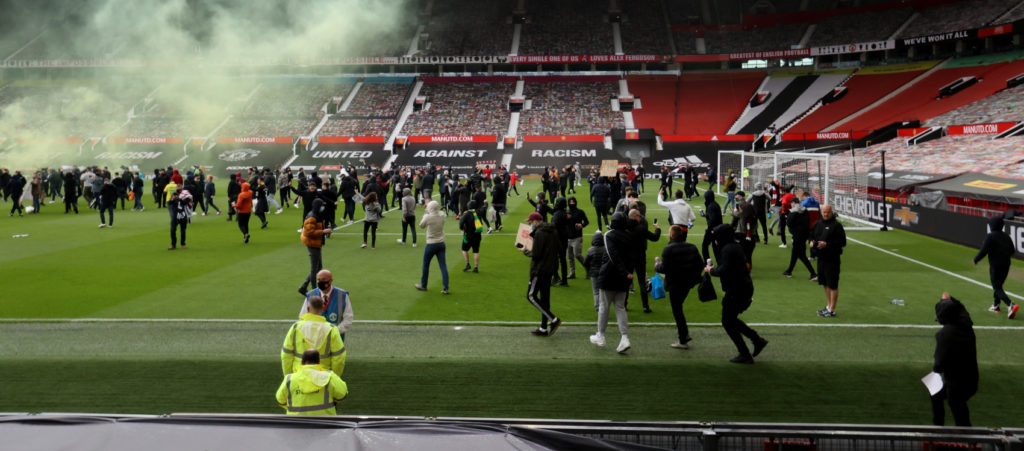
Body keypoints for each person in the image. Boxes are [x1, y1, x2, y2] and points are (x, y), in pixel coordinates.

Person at [705, 223, 768, 364]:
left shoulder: (727, 250)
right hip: (742, 287)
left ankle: (746, 352)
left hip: (737, 290)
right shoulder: (734, 247)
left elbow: (725, 270)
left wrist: (711, 271)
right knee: (731, 319)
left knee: (727, 322)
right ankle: (757, 340)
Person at [930, 292, 978, 426]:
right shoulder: (966, 324)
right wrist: (950, 299)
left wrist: (934, 372)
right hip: (972, 379)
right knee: (945, 397)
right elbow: (961, 308)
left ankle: (940, 427)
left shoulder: (944, 335)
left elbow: (939, 364)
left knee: (954, 402)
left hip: (956, 383)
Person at [655, 225, 704, 350]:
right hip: (687, 284)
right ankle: (684, 334)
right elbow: (700, 265)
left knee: (677, 310)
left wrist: (657, 265)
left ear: (671, 235)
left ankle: (683, 339)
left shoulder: (668, 249)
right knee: (678, 308)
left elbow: (664, 268)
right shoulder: (692, 247)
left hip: (675, 284)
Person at [592, 212, 634, 353]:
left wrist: (624, 271)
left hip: (610, 275)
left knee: (604, 307)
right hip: (624, 277)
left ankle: (601, 335)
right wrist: (628, 272)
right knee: (620, 307)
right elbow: (631, 256)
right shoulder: (629, 235)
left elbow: (613, 255)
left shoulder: (608, 235)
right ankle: (624, 337)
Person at [281, 295, 346, 377]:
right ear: (323, 308)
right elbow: (339, 358)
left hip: (298, 376)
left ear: (308, 308)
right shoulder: (331, 329)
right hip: (323, 377)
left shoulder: (295, 327)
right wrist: (334, 377)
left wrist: (288, 377)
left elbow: (286, 355)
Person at [521, 211, 562, 337]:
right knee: (545, 298)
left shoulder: (540, 233)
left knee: (531, 296)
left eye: (530, 222)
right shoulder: (553, 231)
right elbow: (559, 248)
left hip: (539, 269)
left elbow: (537, 254)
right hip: (550, 268)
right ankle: (544, 328)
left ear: (536, 221)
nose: (530, 224)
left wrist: (525, 251)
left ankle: (553, 319)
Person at [275, 349, 348, 415]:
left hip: (296, 423)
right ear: (318, 361)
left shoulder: (289, 379)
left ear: (302, 362)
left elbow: (280, 400)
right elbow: (342, 395)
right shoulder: (329, 377)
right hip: (325, 424)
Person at [973, 214, 1019, 318]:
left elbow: (984, 251)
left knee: (996, 287)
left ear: (992, 225)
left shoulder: (990, 236)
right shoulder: (1007, 236)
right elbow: (1012, 251)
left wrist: (976, 259)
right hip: (1006, 265)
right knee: (999, 286)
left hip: (995, 265)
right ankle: (996, 306)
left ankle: (1010, 304)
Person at [811, 205, 846, 318]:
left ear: (832, 212)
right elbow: (811, 236)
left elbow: (842, 242)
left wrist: (827, 244)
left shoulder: (837, 226)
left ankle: (832, 310)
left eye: (828, 212)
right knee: (825, 283)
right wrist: (812, 242)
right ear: (821, 212)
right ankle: (828, 306)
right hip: (821, 258)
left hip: (832, 259)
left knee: (832, 284)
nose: (826, 214)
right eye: (824, 212)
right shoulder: (818, 224)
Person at [300, 269, 354, 340]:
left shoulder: (342, 295)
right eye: (318, 280)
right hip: (315, 340)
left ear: (331, 280)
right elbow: (303, 317)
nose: (320, 282)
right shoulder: (311, 295)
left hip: (335, 339)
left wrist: (333, 332)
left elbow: (348, 318)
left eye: (323, 279)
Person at [628, 208, 661, 313]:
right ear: (636, 217)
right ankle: (645, 307)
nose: (640, 217)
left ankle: (623, 305)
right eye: (639, 216)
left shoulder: (624, 227)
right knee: (642, 282)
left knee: (626, 282)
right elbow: (655, 238)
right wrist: (657, 228)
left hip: (628, 257)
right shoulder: (640, 228)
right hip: (640, 257)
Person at [299, 198, 333, 295]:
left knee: (318, 267)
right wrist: (323, 231)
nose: (323, 207)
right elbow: (309, 233)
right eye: (322, 205)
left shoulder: (316, 214)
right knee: (315, 268)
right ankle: (314, 290)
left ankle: (304, 287)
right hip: (312, 243)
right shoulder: (312, 217)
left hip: (315, 242)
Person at [415, 200, 450, 294]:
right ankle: (445, 287)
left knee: (425, 265)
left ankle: (423, 285)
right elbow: (440, 212)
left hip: (431, 243)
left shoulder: (428, 217)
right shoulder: (442, 215)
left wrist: (425, 214)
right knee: (443, 266)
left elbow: (421, 225)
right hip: (441, 243)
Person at [782, 197, 817, 280]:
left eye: (791, 203)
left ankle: (813, 274)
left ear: (793, 203)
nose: (791, 205)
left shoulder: (793, 211)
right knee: (795, 253)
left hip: (797, 235)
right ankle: (789, 271)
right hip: (804, 234)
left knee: (801, 255)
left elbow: (789, 223)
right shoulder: (805, 210)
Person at [582, 230, 608, 311]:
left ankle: (597, 306)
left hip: (594, 273)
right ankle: (604, 306)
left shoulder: (591, 250)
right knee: (604, 291)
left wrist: (589, 270)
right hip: (604, 273)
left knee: (596, 291)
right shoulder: (606, 249)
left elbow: (585, 262)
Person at [565, 196, 589, 279]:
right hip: (568, 237)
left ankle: (588, 268)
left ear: (575, 202)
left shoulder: (580, 212)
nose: (572, 204)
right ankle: (572, 273)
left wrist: (581, 225)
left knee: (577, 255)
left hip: (577, 237)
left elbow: (586, 222)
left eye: (573, 202)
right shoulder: (566, 212)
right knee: (570, 256)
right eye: (570, 202)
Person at [459, 200, 483, 272]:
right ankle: (476, 267)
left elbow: (461, 224)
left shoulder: (466, 214)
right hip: (477, 235)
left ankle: (467, 264)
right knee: (476, 251)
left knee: (464, 249)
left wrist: (462, 229)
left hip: (468, 235)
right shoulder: (479, 212)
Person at [701, 188, 723, 262]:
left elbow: (713, 219)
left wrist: (709, 227)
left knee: (705, 245)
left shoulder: (710, 206)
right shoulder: (715, 204)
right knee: (716, 247)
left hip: (713, 229)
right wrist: (706, 215)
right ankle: (720, 262)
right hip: (718, 229)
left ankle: (707, 262)